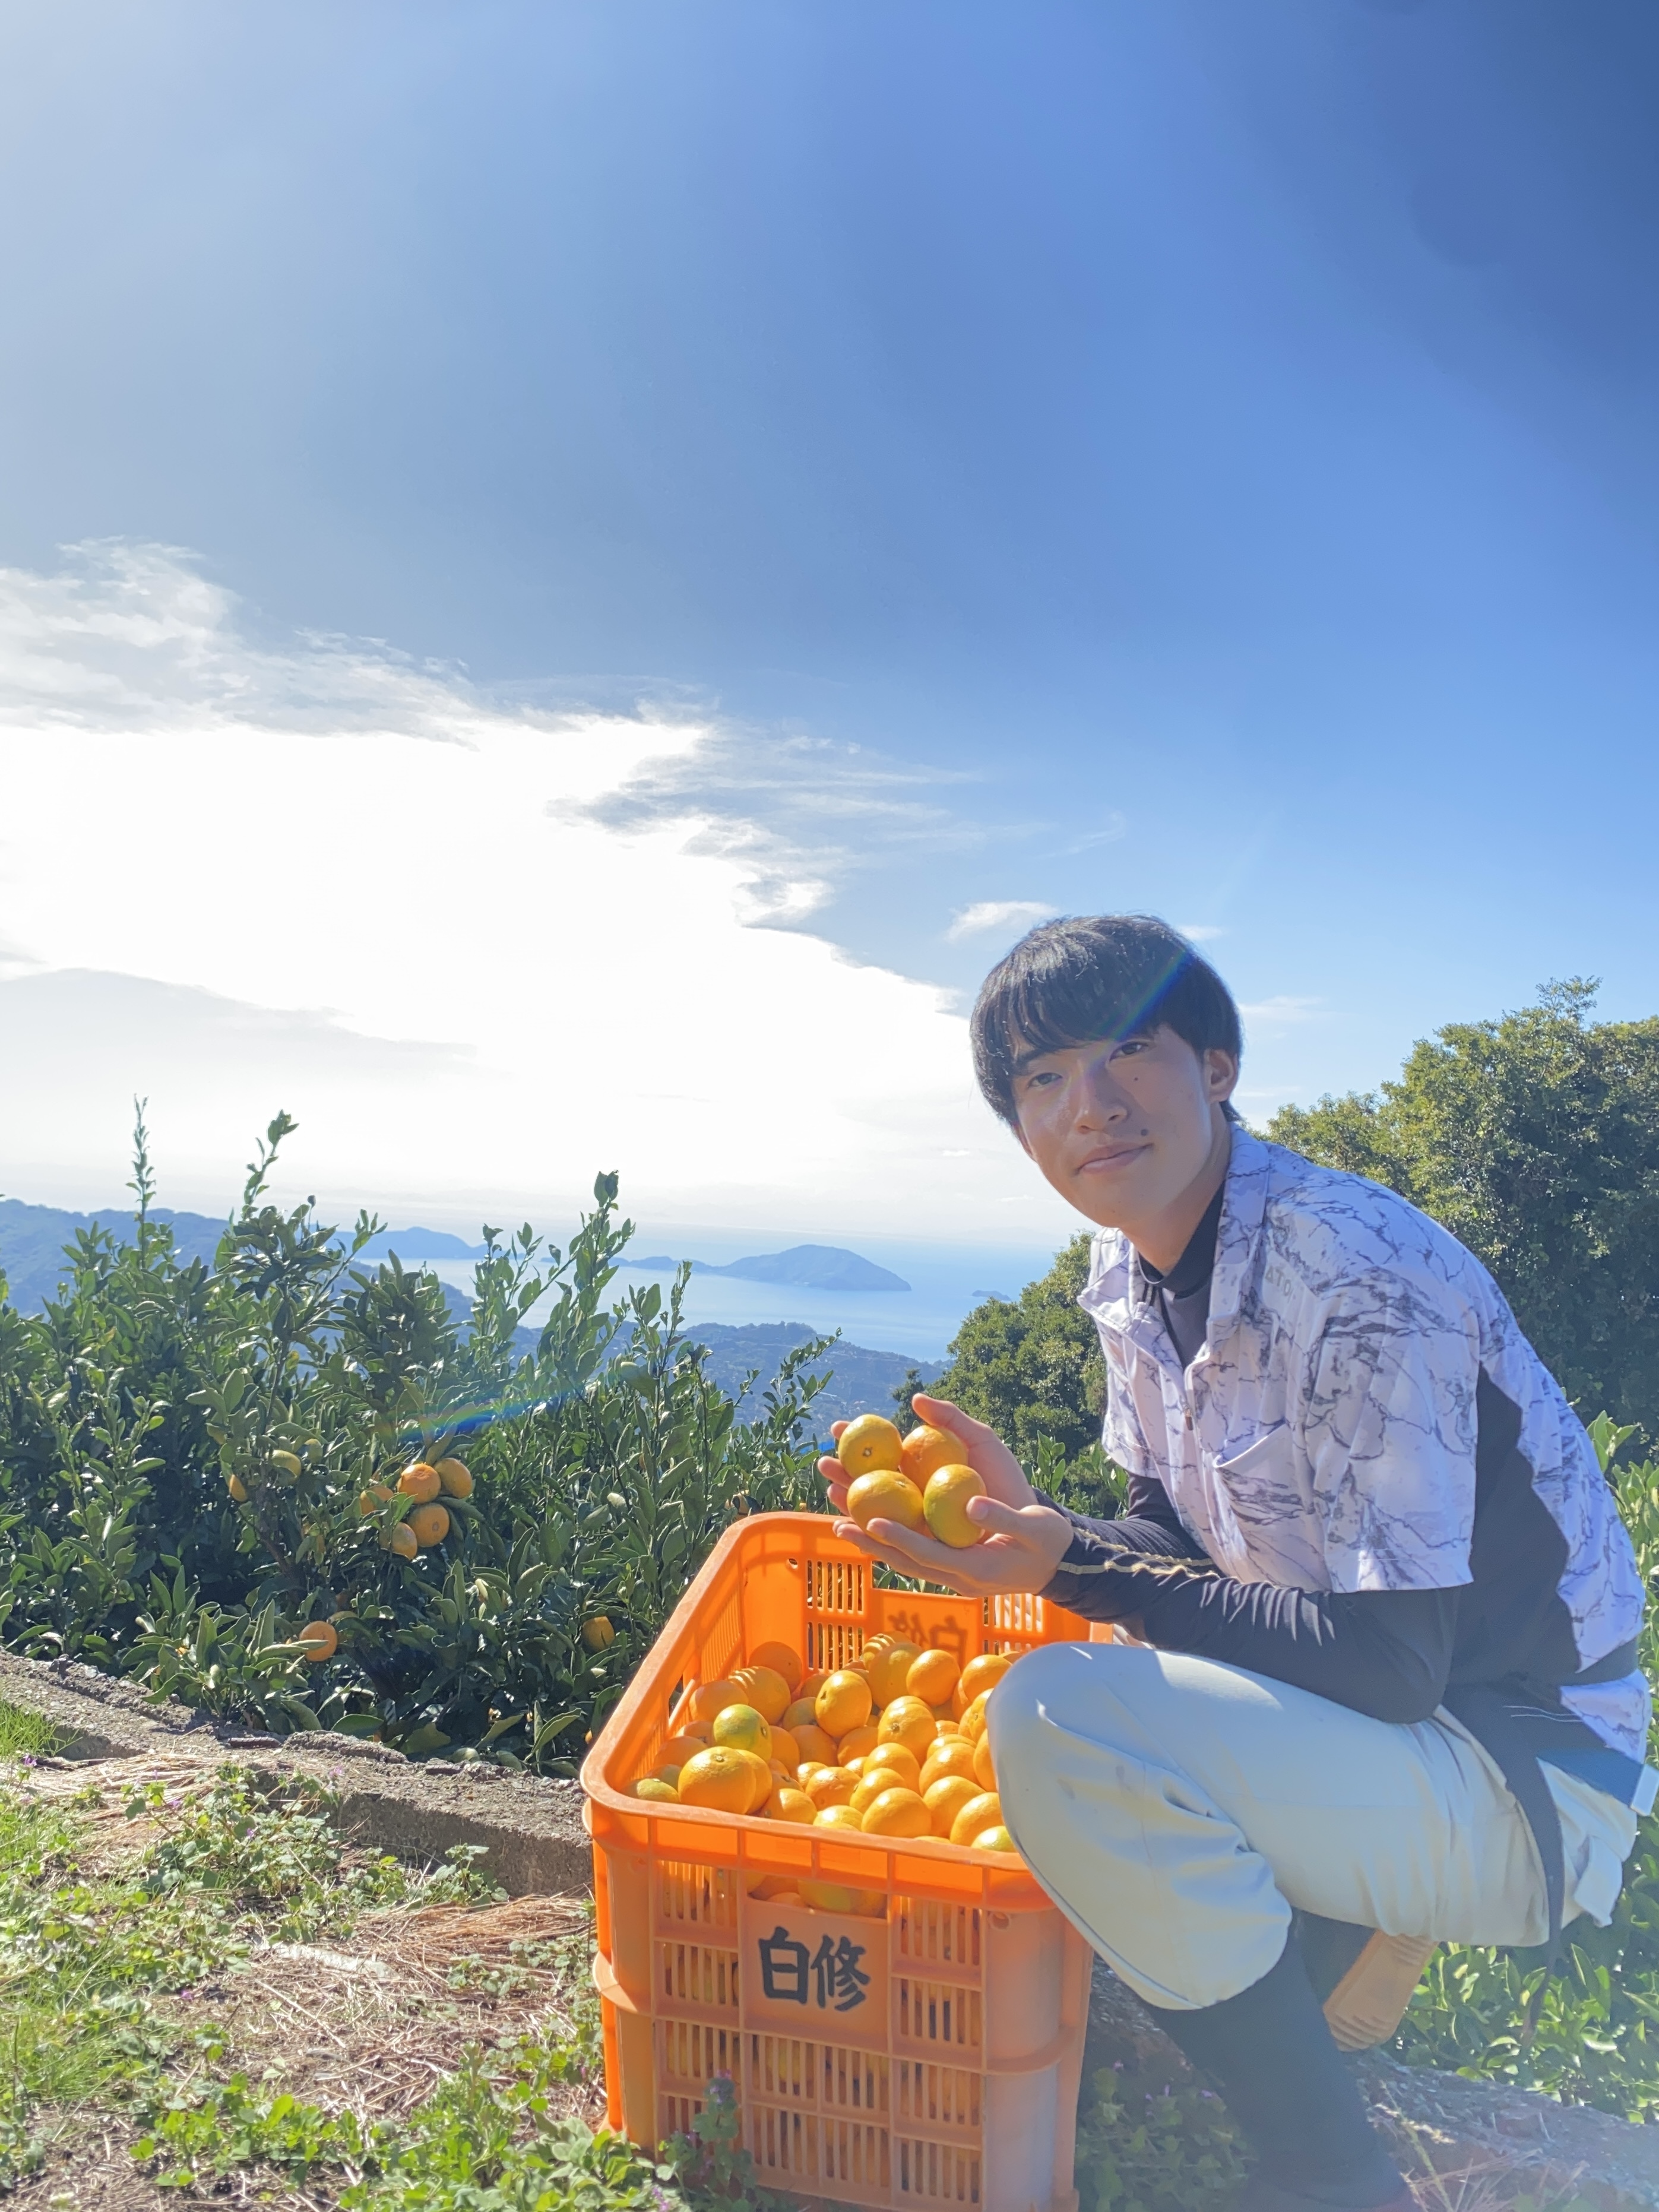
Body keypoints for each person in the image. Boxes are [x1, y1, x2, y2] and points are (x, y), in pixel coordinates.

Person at [821, 913, 1651, 2212]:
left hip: (1519, 1762)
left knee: (1060, 1715)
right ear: (1018, 1128)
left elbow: (1384, 1665)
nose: (1087, 1104)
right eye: (1041, 1080)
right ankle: (1336, 1937)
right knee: (1106, 1663)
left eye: (1126, 1052)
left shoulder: (1350, 1268)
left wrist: (1069, 1574)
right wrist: (1042, 1538)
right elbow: (1180, 1541)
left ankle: (1328, 2175)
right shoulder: (1132, 1274)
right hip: (1404, 1713)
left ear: (1213, 1067)